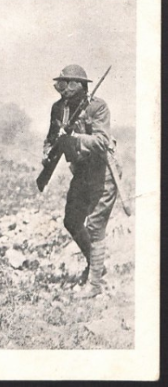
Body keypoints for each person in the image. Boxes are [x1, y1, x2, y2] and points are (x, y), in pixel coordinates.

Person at [43, 64, 119, 299]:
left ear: (80, 85)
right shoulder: (58, 109)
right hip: (81, 172)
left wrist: (74, 137)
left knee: (95, 226)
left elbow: (101, 142)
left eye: (68, 84)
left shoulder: (97, 106)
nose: (63, 88)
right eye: (62, 84)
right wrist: (47, 153)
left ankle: (94, 285)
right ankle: (96, 265)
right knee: (72, 220)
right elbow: (50, 138)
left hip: (102, 171)